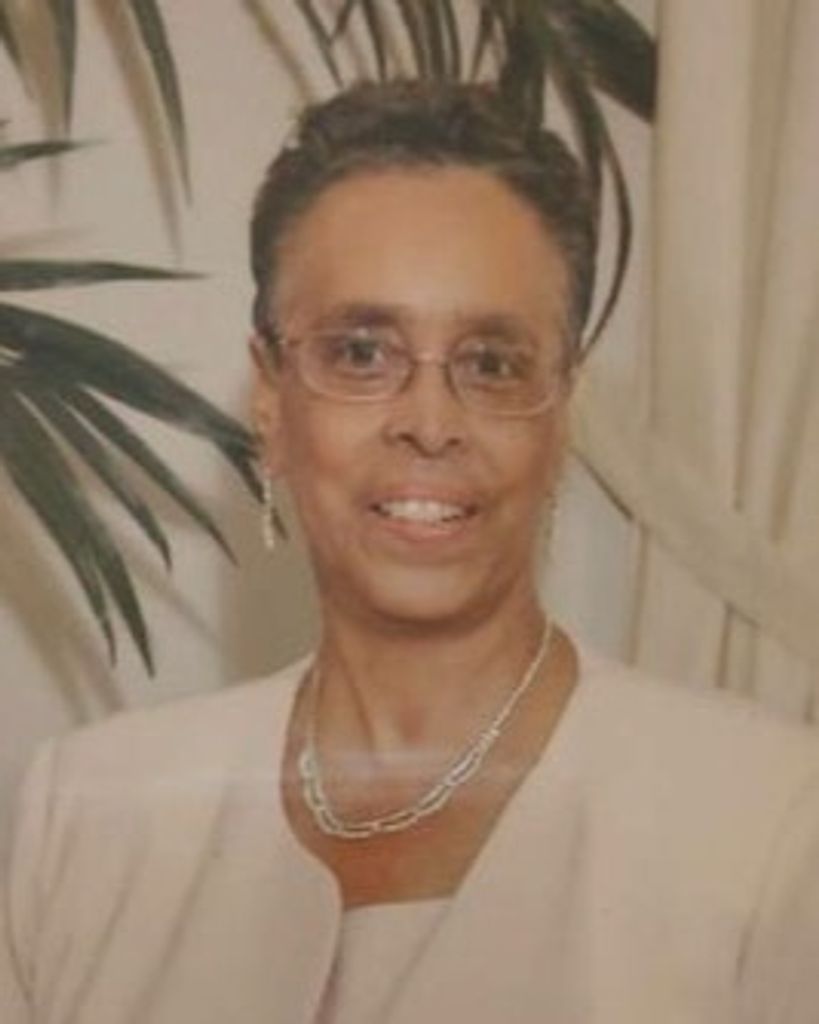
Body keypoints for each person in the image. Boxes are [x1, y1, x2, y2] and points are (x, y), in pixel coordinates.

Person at [3, 80, 819, 1023]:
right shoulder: (87, 817)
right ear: (270, 399)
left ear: (561, 412)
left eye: (491, 362)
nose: (430, 423)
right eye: (361, 352)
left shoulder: (771, 825)